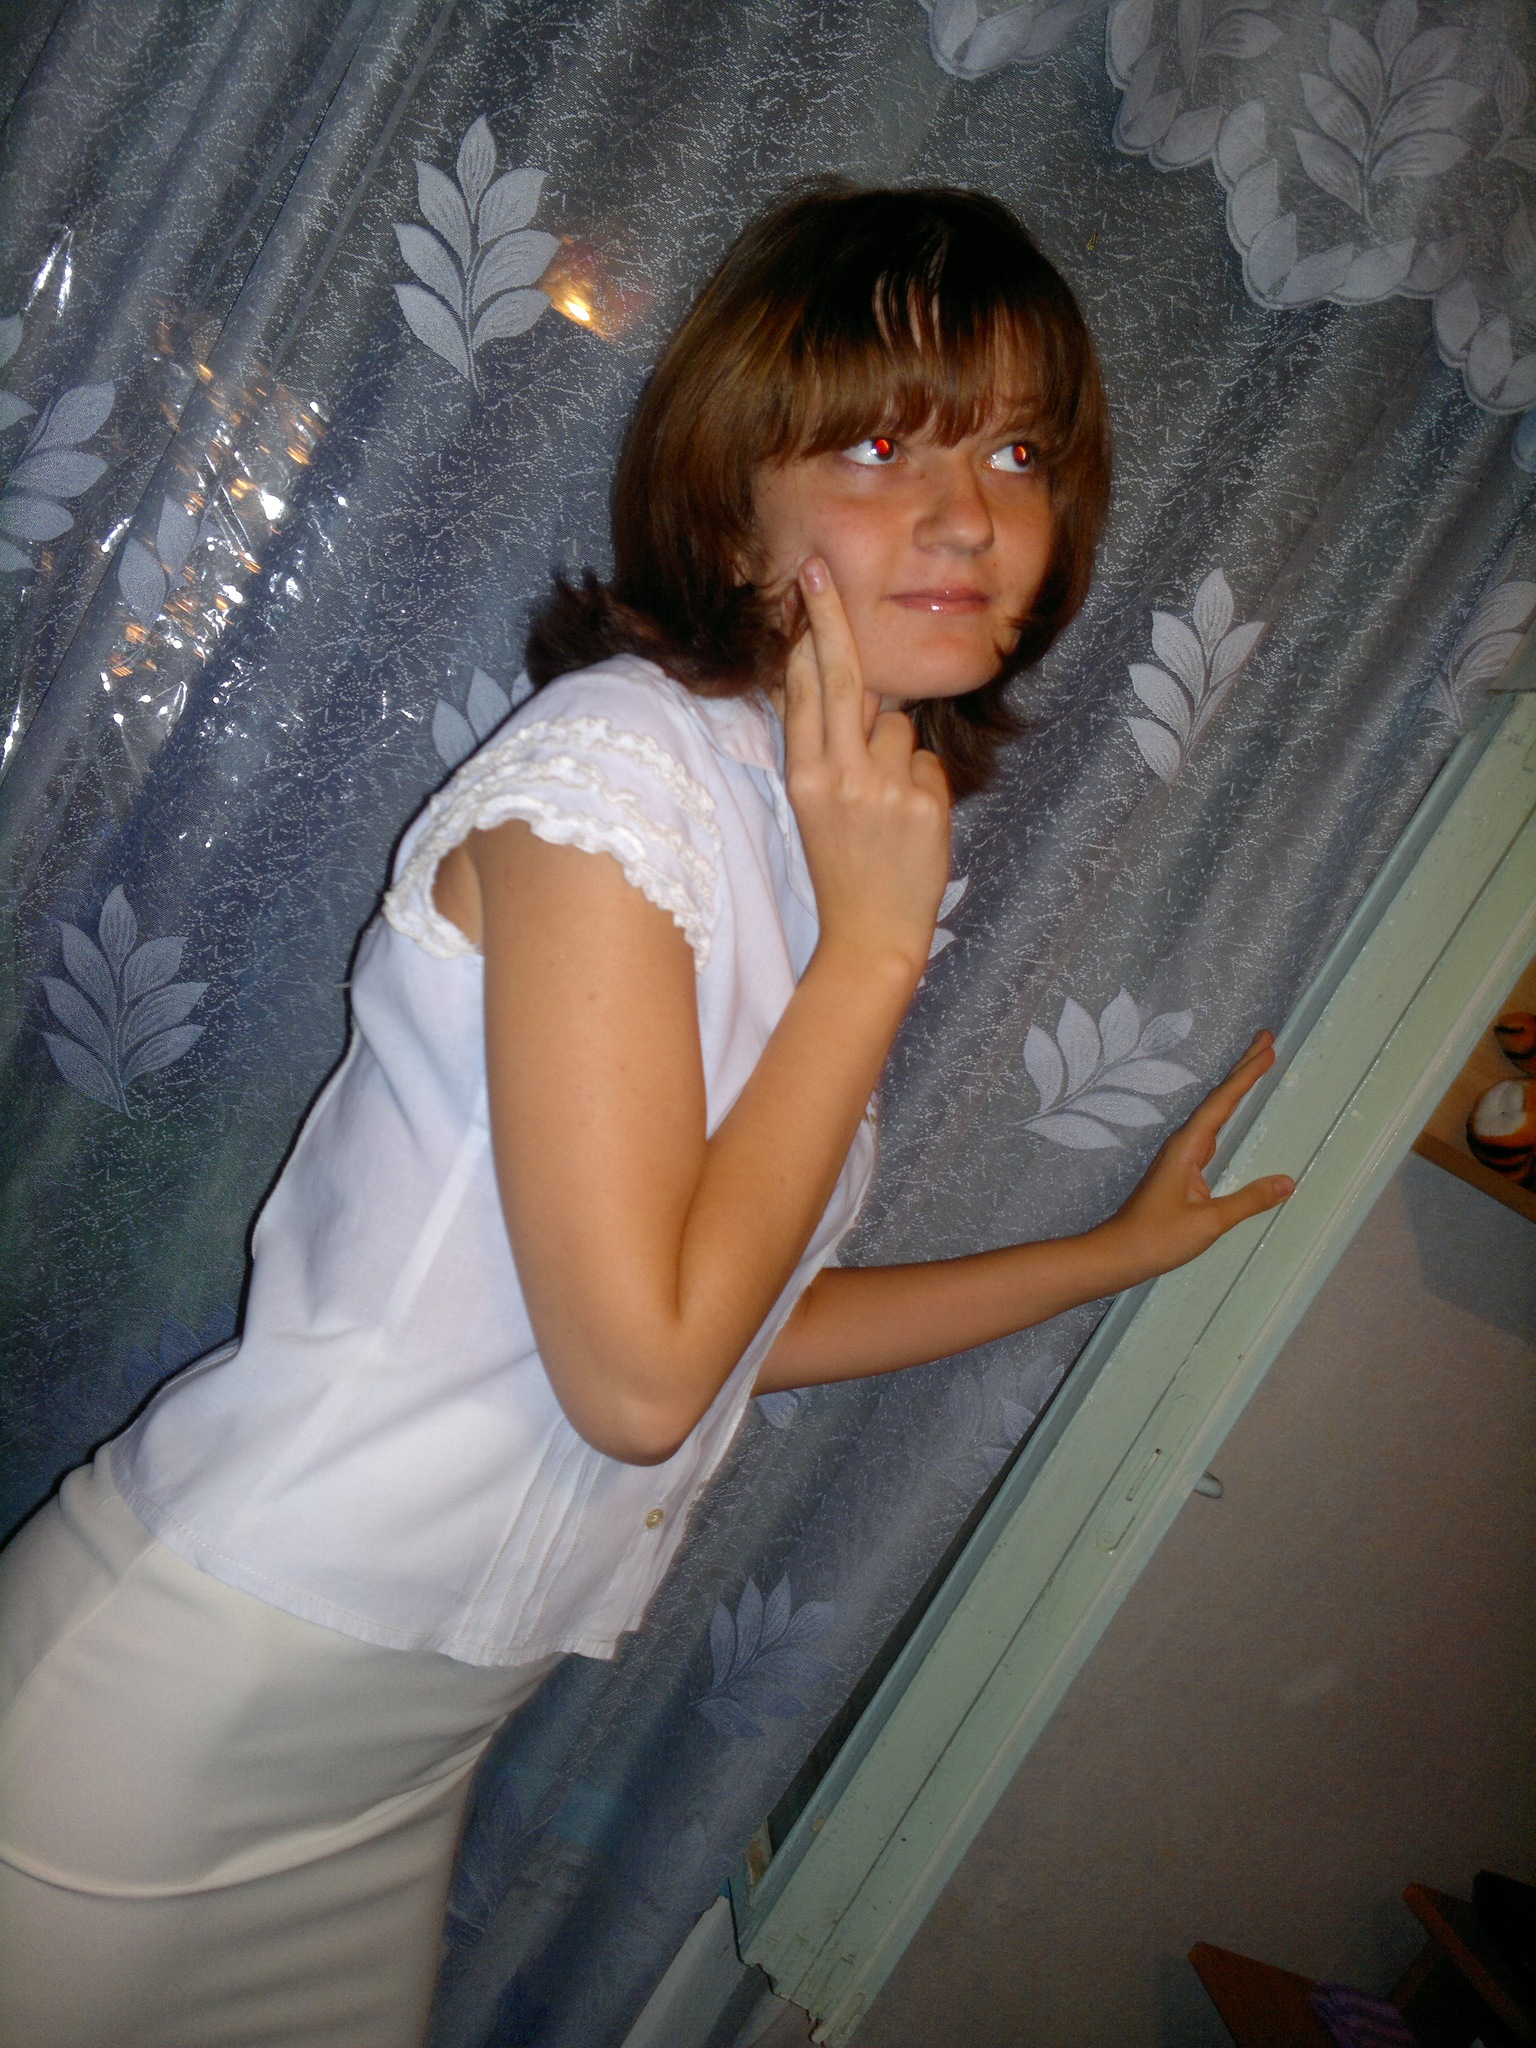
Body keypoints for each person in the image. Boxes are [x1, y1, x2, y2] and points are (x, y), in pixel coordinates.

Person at [0, 184, 1292, 2047]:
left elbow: (742, 1315)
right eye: (879, 446)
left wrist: (1108, 1256)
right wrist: (873, 957)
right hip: (186, 1711)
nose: (970, 515)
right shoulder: (621, 767)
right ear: (732, 501)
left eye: (1021, 451)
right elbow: (638, 1380)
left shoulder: (793, 822)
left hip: (399, 1742)